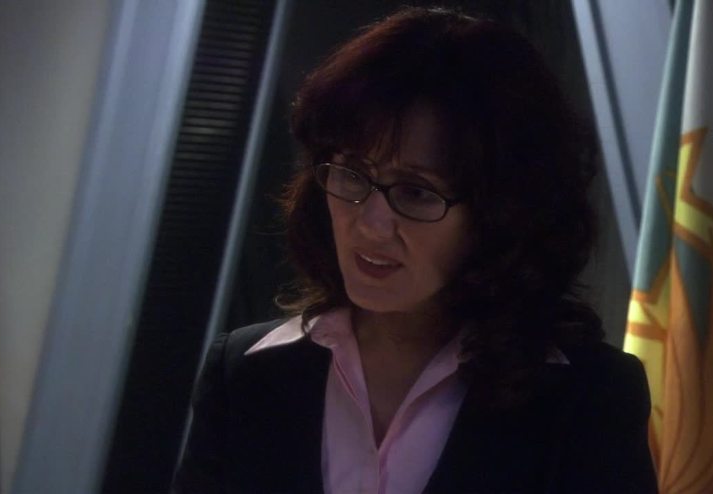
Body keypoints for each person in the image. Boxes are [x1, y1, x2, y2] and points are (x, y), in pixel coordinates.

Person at [173, 6, 657, 493]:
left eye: (416, 192)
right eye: (351, 174)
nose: (371, 225)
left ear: (500, 215)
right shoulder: (245, 372)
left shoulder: (590, 397)